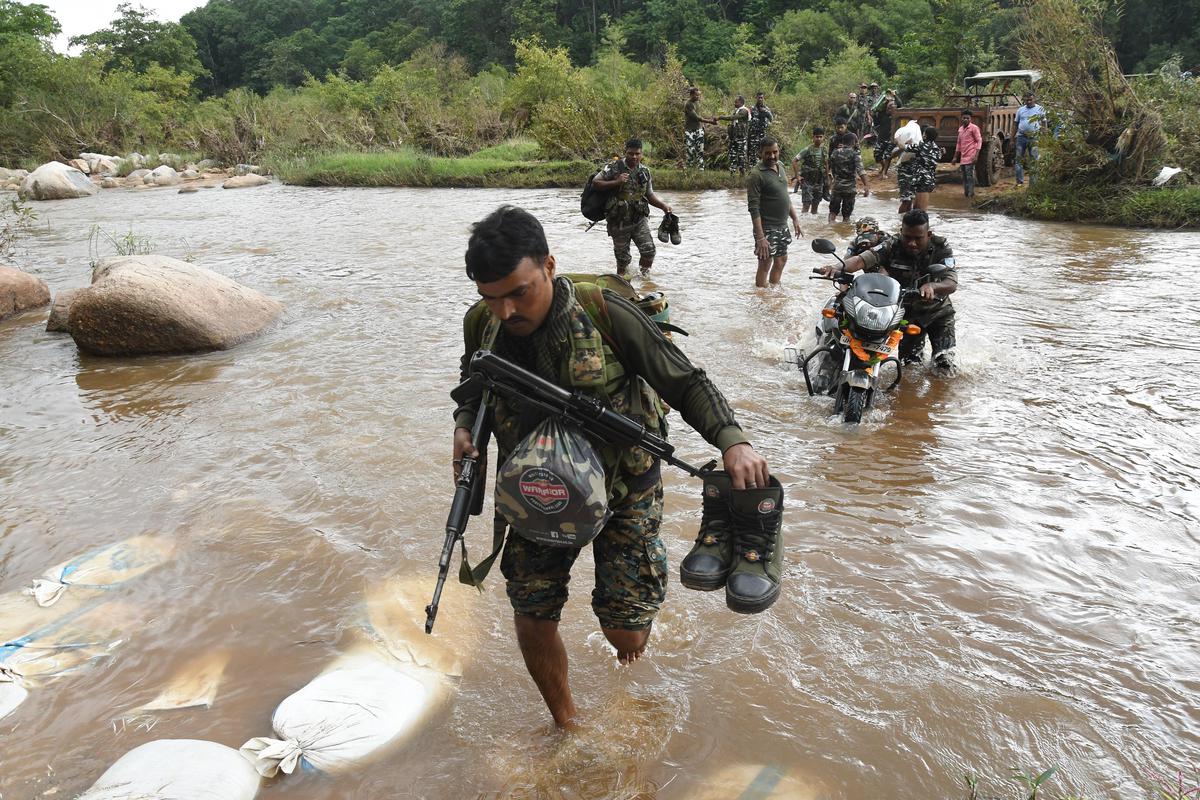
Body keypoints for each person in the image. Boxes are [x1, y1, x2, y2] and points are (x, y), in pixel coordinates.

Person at [453, 205, 778, 727]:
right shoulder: (482, 326)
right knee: (532, 612)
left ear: (549, 265)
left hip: (625, 485)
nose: (506, 311)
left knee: (624, 633)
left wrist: (733, 443)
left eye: (519, 291)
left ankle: (628, 625)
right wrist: (465, 427)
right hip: (538, 491)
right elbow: (474, 388)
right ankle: (566, 722)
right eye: (491, 299)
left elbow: (685, 381)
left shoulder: (605, 311)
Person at [819, 208, 957, 372]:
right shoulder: (892, 244)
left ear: (929, 234)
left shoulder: (941, 247)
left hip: (937, 314)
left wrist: (933, 286)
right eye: (907, 237)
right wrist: (836, 268)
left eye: (918, 238)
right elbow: (861, 260)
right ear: (901, 232)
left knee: (944, 366)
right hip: (906, 315)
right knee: (909, 367)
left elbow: (951, 282)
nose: (912, 243)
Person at [592, 138, 673, 277]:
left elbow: (649, 194)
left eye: (637, 154)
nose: (634, 157)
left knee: (649, 251)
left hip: (639, 219)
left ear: (641, 154)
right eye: (630, 153)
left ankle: (644, 279)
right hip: (619, 220)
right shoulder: (614, 167)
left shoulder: (645, 171)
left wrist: (663, 206)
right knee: (622, 259)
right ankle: (622, 284)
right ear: (625, 153)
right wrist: (616, 182)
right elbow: (596, 182)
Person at [746, 137, 803, 288]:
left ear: (779, 151)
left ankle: (773, 293)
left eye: (775, 152)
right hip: (767, 228)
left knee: (781, 260)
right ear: (760, 153)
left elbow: (784, 196)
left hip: (782, 225)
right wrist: (760, 238)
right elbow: (753, 208)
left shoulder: (781, 166)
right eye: (767, 153)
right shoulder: (756, 175)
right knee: (765, 263)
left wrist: (795, 219)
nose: (772, 156)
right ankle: (760, 300)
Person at [826, 131, 870, 223]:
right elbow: (861, 170)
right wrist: (866, 185)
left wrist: (829, 178)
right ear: (853, 142)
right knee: (846, 216)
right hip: (849, 189)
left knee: (832, 213)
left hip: (837, 187)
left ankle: (830, 230)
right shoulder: (855, 154)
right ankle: (845, 235)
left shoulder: (835, 153)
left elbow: (828, 166)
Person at [897, 125, 940, 213]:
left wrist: (898, 139)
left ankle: (904, 223)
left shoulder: (921, 145)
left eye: (923, 133)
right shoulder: (936, 148)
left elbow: (902, 147)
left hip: (921, 179)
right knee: (918, 209)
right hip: (930, 179)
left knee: (919, 211)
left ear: (925, 135)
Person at [790, 126, 827, 214]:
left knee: (816, 205)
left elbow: (826, 163)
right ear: (813, 137)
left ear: (823, 137)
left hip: (819, 181)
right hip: (808, 181)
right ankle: (804, 224)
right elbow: (794, 161)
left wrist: (828, 177)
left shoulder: (824, 150)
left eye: (820, 137)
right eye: (816, 137)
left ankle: (813, 225)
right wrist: (797, 176)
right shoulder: (807, 150)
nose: (818, 139)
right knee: (806, 205)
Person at [1014, 90, 1044, 186]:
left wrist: (1045, 135)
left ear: (1034, 99)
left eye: (1030, 99)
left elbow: (1044, 123)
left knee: (1034, 160)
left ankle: (1033, 183)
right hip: (1021, 137)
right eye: (1027, 100)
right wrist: (1011, 138)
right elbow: (1015, 124)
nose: (1028, 101)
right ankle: (1019, 182)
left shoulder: (1040, 109)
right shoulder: (1020, 110)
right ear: (1024, 100)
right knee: (1019, 160)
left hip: (1034, 137)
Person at [684, 87, 718, 170]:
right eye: (696, 95)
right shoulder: (688, 104)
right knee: (690, 149)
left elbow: (700, 117)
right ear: (691, 95)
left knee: (700, 149)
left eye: (699, 95)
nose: (698, 97)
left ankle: (701, 169)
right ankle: (690, 168)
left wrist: (703, 126)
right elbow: (697, 117)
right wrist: (710, 122)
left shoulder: (697, 103)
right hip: (690, 130)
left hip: (699, 129)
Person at [717, 95, 752, 175]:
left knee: (741, 156)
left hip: (741, 138)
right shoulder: (737, 110)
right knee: (732, 155)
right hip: (734, 137)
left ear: (741, 102)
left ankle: (742, 173)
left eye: (736, 102)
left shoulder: (744, 111)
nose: (734, 103)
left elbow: (733, 117)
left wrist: (721, 117)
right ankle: (732, 173)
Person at [952, 110, 982, 198]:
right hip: (963, 157)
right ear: (961, 118)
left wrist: (976, 155)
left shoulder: (974, 128)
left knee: (970, 176)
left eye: (967, 118)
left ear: (970, 119)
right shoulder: (960, 129)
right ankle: (966, 194)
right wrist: (955, 157)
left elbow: (979, 141)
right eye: (964, 118)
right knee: (964, 177)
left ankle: (971, 194)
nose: (965, 119)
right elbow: (958, 143)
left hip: (971, 156)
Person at [873, 89, 898, 174]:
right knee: (877, 155)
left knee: (888, 155)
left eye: (892, 106)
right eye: (889, 106)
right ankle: (883, 167)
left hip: (891, 139)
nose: (890, 108)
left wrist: (894, 95)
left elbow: (900, 104)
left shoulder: (896, 117)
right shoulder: (882, 114)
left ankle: (884, 172)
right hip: (881, 138)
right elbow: (876, 120)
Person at [747, 92, 774, 165]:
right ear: (756, 98)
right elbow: (748, 119)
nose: (760, 99)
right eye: (759, 97)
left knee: (763, 151)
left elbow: (771, 119)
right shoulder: (752, 108)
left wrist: (766, 112)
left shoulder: (766, 109)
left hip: (762, 134)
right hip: (753, 134)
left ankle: (762, 167)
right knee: (753, 152)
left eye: (761, 97)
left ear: (763, 98)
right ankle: (752, 168)